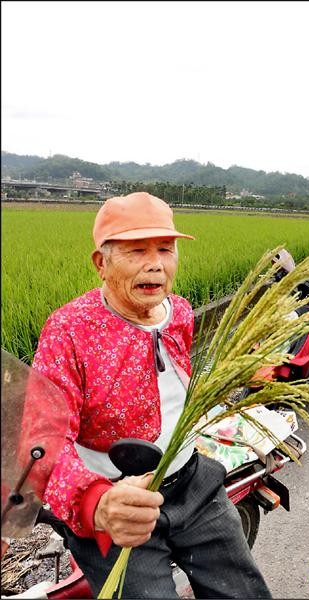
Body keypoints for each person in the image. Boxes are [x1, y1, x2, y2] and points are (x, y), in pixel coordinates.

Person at [32, 192, 272, 599]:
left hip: (193, 483)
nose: (156, 263)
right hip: (119, 502)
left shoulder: (178, 311)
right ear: (101, 263)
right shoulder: (70, 329)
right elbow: (41, 437)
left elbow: (179, 380)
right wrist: (98, 503)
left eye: (165, 248)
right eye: (136, 250)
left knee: (246, 592)